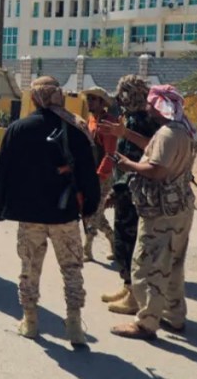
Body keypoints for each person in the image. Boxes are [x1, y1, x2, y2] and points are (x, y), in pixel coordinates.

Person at [0, 76, 99, 345]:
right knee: (72, 268)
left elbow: (2, 170)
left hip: (29, 215)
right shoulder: (75, 127)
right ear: (58, 95)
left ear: (34, 98)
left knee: (29, 268)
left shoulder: (18, 128)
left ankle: (30, 321)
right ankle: (74, 324)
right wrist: (90, 205)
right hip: (64, 214)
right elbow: (89, 171)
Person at [109, 84, 197, 340]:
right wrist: (126, 134)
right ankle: (174, 315)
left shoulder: (168, 134)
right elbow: (156, 150)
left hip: (161, 211)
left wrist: (129, 165)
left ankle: (146, 323)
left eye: (151, 103)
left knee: (146, 266)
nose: (147, 108)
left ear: (161, 105)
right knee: (173, 264)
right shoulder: (184, 130)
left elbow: (157, 170)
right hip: (179, 207)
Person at [97, 75, 162, 315]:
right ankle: (128, 287)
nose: (120, 98)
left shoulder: (145, 120)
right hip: (125, 188)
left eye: (124, 92)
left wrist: (124, 133)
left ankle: (135, 296)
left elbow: (151, 148)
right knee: (123, 240)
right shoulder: (132, 118)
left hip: (137, 190)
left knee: (130, 242)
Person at [79, 86, 117, 262]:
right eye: (89, 99)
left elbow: (110, 154)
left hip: (103, 176)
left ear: (102, 103)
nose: (89, 102)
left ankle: (87, 249)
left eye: (93, 99)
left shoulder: (108, 123)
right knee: (96, 214)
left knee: (93, 213)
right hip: (92, 174)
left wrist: (100, 175)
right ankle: (114, 240)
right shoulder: (91, 120)